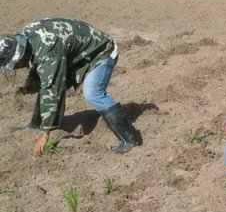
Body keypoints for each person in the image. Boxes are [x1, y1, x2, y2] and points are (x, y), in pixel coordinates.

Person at [0, 18, 139, 156]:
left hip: (101, 52)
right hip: (76, 53)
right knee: (46, 83)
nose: (16, 68)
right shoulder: (22, 38)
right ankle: (35, 124)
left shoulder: (49, 51)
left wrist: (45, 134)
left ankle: (128, 140)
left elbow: (53, 89)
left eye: (14, 64)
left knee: (93, 93)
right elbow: (41, 66)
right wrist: (31, 85)